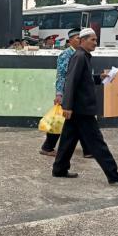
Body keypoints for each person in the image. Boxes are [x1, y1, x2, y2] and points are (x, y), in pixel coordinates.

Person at [53, 28, 118, 184]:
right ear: (82, 40)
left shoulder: (83, 57)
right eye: (92, 40)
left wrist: (99, 78)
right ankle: (113, 175)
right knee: (97, 143)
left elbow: (84, 80)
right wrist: (67, 106)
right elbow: (71, 82)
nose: (95, 43)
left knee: (68, 141)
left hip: (79, 109)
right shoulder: (79, 57)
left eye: (96, 40)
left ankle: (59, 169)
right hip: (81, 109)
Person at [41, 29, 91, 158]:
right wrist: (59, 94)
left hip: (77, 93)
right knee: (61, 120)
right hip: (67, 94)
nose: (80, 40)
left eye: (81, 38)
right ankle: (47, 147)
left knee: (79, 121)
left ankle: (89, 149)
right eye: (76, 38)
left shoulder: (82, 54)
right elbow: (61, 75)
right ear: (69, 41)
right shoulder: (66, 55)